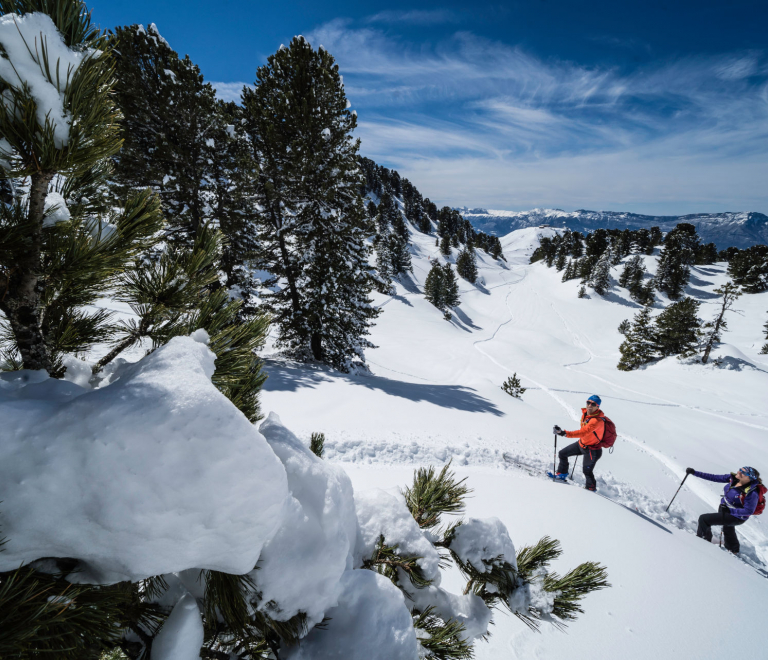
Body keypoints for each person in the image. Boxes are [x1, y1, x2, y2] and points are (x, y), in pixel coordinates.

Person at [687, 466, 763, 554]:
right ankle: (733, 549)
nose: (739, 472)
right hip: (725, 508)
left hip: (737, 516)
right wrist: (694, 472)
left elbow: (749, 511)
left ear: (749, 478)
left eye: (743, 472)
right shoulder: (733, 479)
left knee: (704, 519)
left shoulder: (752, 493)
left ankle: (703, 542)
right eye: (740, 470)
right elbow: (714, 477)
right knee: (728, 528)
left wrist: (730, 511)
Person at [548, 395, 606, 491]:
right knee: (562, 454)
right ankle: (562, 474)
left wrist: (564, 433)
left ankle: (591, 489)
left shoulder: (596, 421)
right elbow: (583, 430)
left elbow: (583, 432)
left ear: (597, 406)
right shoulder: (586, 414)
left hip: (592, 450)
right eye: (588, 402)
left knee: (587, 471)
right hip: (582, 444)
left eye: (593, 404)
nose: (589, 405)